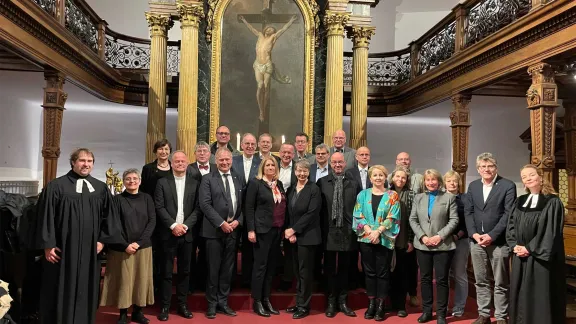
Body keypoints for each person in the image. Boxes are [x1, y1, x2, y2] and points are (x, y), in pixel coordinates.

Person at [33, 148, 121, 324]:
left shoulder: (100, 188)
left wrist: (102, 241)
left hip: (90, 252)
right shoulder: (56, 186)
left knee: (86, 289)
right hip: (63, 251)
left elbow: (109, 217)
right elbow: (45, 216)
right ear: (73, 162)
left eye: (89, 161)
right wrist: (48, 244)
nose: (86, 164)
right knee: (59, 288)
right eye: (82, 160)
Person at [506, 164, 566, 324]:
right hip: (520, 255)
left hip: (540, 257)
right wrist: (514, 245)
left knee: (538, 293)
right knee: (520, 292)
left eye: (531, 175)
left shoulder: (552, 202)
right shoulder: (520, 201)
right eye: (524, 177)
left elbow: (550, 232)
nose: (528, 179)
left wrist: (530, 248)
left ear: (540, 177)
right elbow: (510, 225)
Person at [465, 153, 516, 324]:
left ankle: (501, 316)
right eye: (483, 167)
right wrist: (474, 234)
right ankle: (484, 314)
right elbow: (469, 212)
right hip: (477, 241)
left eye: (490, 166)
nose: (486, 169)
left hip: (499, 242)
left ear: (496, 168)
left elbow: (508, 214)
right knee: (481, 281)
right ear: (478, 169)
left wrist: (492, 235)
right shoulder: (472, 186)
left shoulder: (507, 185)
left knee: (501, 281)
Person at [100, 169, 155, 324]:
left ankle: (138, 312)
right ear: (123, 181)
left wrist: (139, 243)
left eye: (135, 178)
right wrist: (125, 245)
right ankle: (123, 314)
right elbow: (114, 224)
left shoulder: (147, 198)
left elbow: (152, 222)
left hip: (143, 247)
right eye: (128, 179)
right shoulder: (117, 200)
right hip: (122, 249)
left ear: (140, 180)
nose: (132, 181)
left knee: (141, 280)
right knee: (124, 281)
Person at [154, 151, 201, 321]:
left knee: (185, 271)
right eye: (177, 161)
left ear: (187, 163)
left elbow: (198, 208)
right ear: (171, 163)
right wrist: (173, 226)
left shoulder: (195, 183)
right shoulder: (162, 182)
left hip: (187, 234)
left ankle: (182, 304)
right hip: (168, 234)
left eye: (183, 161)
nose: (180, 163)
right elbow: (159, 206)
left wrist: (186, 226)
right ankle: (165, 306)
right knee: (166, 272)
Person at [409, 169, 458, 324]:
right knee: (425, 279)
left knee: (442, 280)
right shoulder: (418, 197)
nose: (430, 182)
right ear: (424, 182)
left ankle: (442, 314)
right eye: (428, 180)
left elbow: (454, 220)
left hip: (443, 245)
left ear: (439, 181)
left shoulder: (449, 197)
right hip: (423, 245)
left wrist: (439, 236)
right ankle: (427, 311)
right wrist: (423, 237)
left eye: (433, 179)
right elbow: (413, 219)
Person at [199, 148, 243, 319]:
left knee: (227, 270)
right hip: (214, 232)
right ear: (215, 161)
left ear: (231, 160)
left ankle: (223, 303)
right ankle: (211, 305)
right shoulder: (207, 179)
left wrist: (238, 220)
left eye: (227, 160)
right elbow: (205, 205)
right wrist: (221, 223)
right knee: (213, 269)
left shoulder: (238, 178)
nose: (225, 163)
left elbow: (244, 204)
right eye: (221, 160)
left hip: (233, 231)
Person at [352, 165, 400, 321]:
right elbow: (358, 215)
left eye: (381, 175)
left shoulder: (392, 195)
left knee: (383, 273)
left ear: (385, 177)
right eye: (375, 175)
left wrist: (378, 232)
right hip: (366, 239)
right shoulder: (362, 195)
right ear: (370, 178)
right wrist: (369, 232)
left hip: (384, 239)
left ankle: (381, 305)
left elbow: (393, 217)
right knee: (369, 272)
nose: (378, 178)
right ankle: (371, 303)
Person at [317, 152, 361, 318]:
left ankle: (343, 301)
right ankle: (330, 301)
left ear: (345, 163)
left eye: (340, 162)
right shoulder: (322, 182)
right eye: (334, 162)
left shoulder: (354, 183)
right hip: (328, 230)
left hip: (347, 230)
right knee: (329, 268)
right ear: (330, 163)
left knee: (345, 268)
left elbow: (359, 208)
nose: (337, 165)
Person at [245, 156, 286, 317]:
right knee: (260, 267)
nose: (270, 167)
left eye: (273, 165)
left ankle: (267, 299)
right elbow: (249, 207)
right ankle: (257, 301)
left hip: (276, 231)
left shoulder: (279, 185)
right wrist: (251, 229)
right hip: (261, 231)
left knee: (271, 268)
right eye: (268, 165)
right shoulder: (256, 183)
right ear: (263, 167)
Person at [239, 15, 297, 122]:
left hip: (267, 64)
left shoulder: (273, 37)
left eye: (272, 29)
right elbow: (251, 29)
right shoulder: (260, 35)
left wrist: (291, 21)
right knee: (260, 85)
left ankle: (263, 111)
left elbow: (283, 29)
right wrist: (244, 20)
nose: (270, 30)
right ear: (265, 29)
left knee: (265, 86)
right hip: (257, 64)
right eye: (269, 28)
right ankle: (261, 110)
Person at [284, 160, 321, 319]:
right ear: (295, 172)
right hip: (293, 238)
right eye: (299, 171)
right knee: (297, 273)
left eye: (305, 171)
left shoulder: (314, 189)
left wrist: (294, 230)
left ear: (309, 172)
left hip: (308, 237)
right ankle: (299, 303)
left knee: (305, 273)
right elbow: (288, 213)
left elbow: (311, 214)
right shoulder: (291, 189)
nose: (302, 174)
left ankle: (304, 306)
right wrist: (290, 233)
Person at [140, 139, 172, 293]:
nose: (163, 152)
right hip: (152, 214)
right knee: (153, 250)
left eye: (166, 149)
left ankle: (164, 281)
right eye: (160, 149)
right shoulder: (148, 169)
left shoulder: (174, 168)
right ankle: (152, 284)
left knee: (166, 250)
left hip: (169, 215)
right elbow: (143, 191)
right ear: (155, 151)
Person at [231, 133, 261, 287]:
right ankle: (232, 279)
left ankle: (247, 280)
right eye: (247, 143)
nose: (250, 146)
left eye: (252, 144)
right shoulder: (233, 161)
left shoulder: (261, 162)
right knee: (232, 247)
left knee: (250, 248)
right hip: (234, 211)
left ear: (256, 147)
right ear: (241, 145)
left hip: (253, 212)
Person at [186, 141, 215, 293]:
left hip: (210, 218)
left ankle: (204, 283)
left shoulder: (216, 168)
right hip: (192, 215)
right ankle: (190, 284)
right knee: (190, 252)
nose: (202, 153)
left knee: (206, 252)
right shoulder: (188, 168)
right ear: (195, 154)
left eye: (205, 151)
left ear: (210, 154)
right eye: (199, 151)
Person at [389, 166, 415, 318]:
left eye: (403, 177)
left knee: (402, 273)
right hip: (387, 240)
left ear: (407, 180)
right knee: (389, 273)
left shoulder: (411, 194)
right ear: (392, 178)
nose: (400, 179)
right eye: (397, 177)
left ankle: (400, 305)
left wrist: (411, 240)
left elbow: (413, 219)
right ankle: (389, 303)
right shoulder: (386, 193)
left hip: (404, 239)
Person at [444, 170, 469, 317]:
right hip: (443, 242)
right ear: (445, 182)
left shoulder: (465, 199)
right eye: (449, 181)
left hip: (461, 240)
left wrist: (458, 235)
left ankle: (459, 306)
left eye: (455, 181)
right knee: (443, 276)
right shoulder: (440, 198)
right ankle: (444, 305)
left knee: (459, 274)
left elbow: (469, 220)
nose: (452, 183)